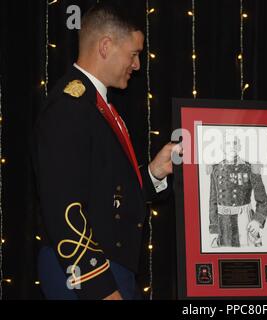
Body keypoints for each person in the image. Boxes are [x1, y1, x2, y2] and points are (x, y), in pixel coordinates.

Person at [32, 3, 178, 300]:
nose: (137, 65)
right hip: (84, 272)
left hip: (109, 268)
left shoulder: (97, 104)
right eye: (134, 54)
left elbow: (106, 192)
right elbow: (63, 208)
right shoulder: (69, 107)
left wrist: (153, 173)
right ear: (106, 46)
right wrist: (99, 284)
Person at [207, 135, 267, 248]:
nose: (231, 147)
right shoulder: (215, 169)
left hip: (244, 221)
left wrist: (257, 221)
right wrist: (214, 229)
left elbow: (263, 201)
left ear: (239, 146)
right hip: (223, 224)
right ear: (222, 147)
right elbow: (213, 201)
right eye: (227, 144)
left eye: (234, 143)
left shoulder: (250, 167)